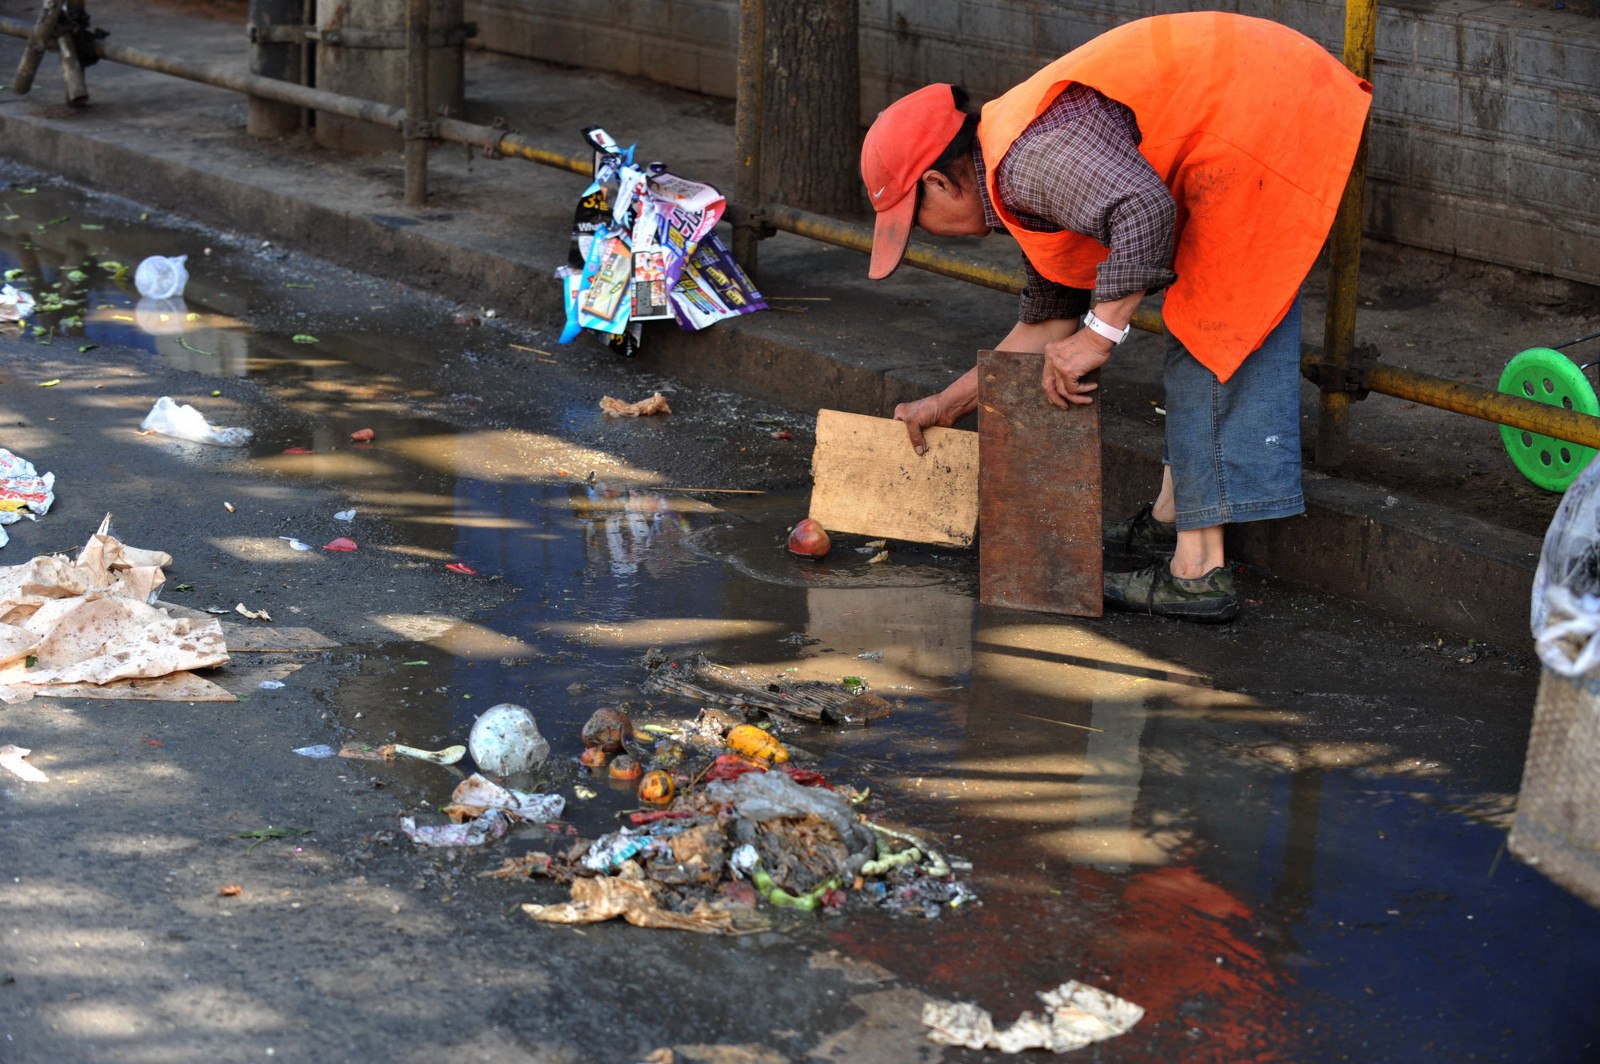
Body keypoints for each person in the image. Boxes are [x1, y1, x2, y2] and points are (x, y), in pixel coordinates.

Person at [860, 12, 1371, 622]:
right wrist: (945, 406)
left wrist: (1100, 335)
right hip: (1248, 100)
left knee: (1214, 321)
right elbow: (1047, 325)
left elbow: (1142, 209)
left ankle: (1198, 573)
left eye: (913, 221)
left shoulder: (1031, 161)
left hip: (1267, 104)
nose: (921, 236)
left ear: (941, 183)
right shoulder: (1014, 180)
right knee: (1200, 314)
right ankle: (1171, 521)